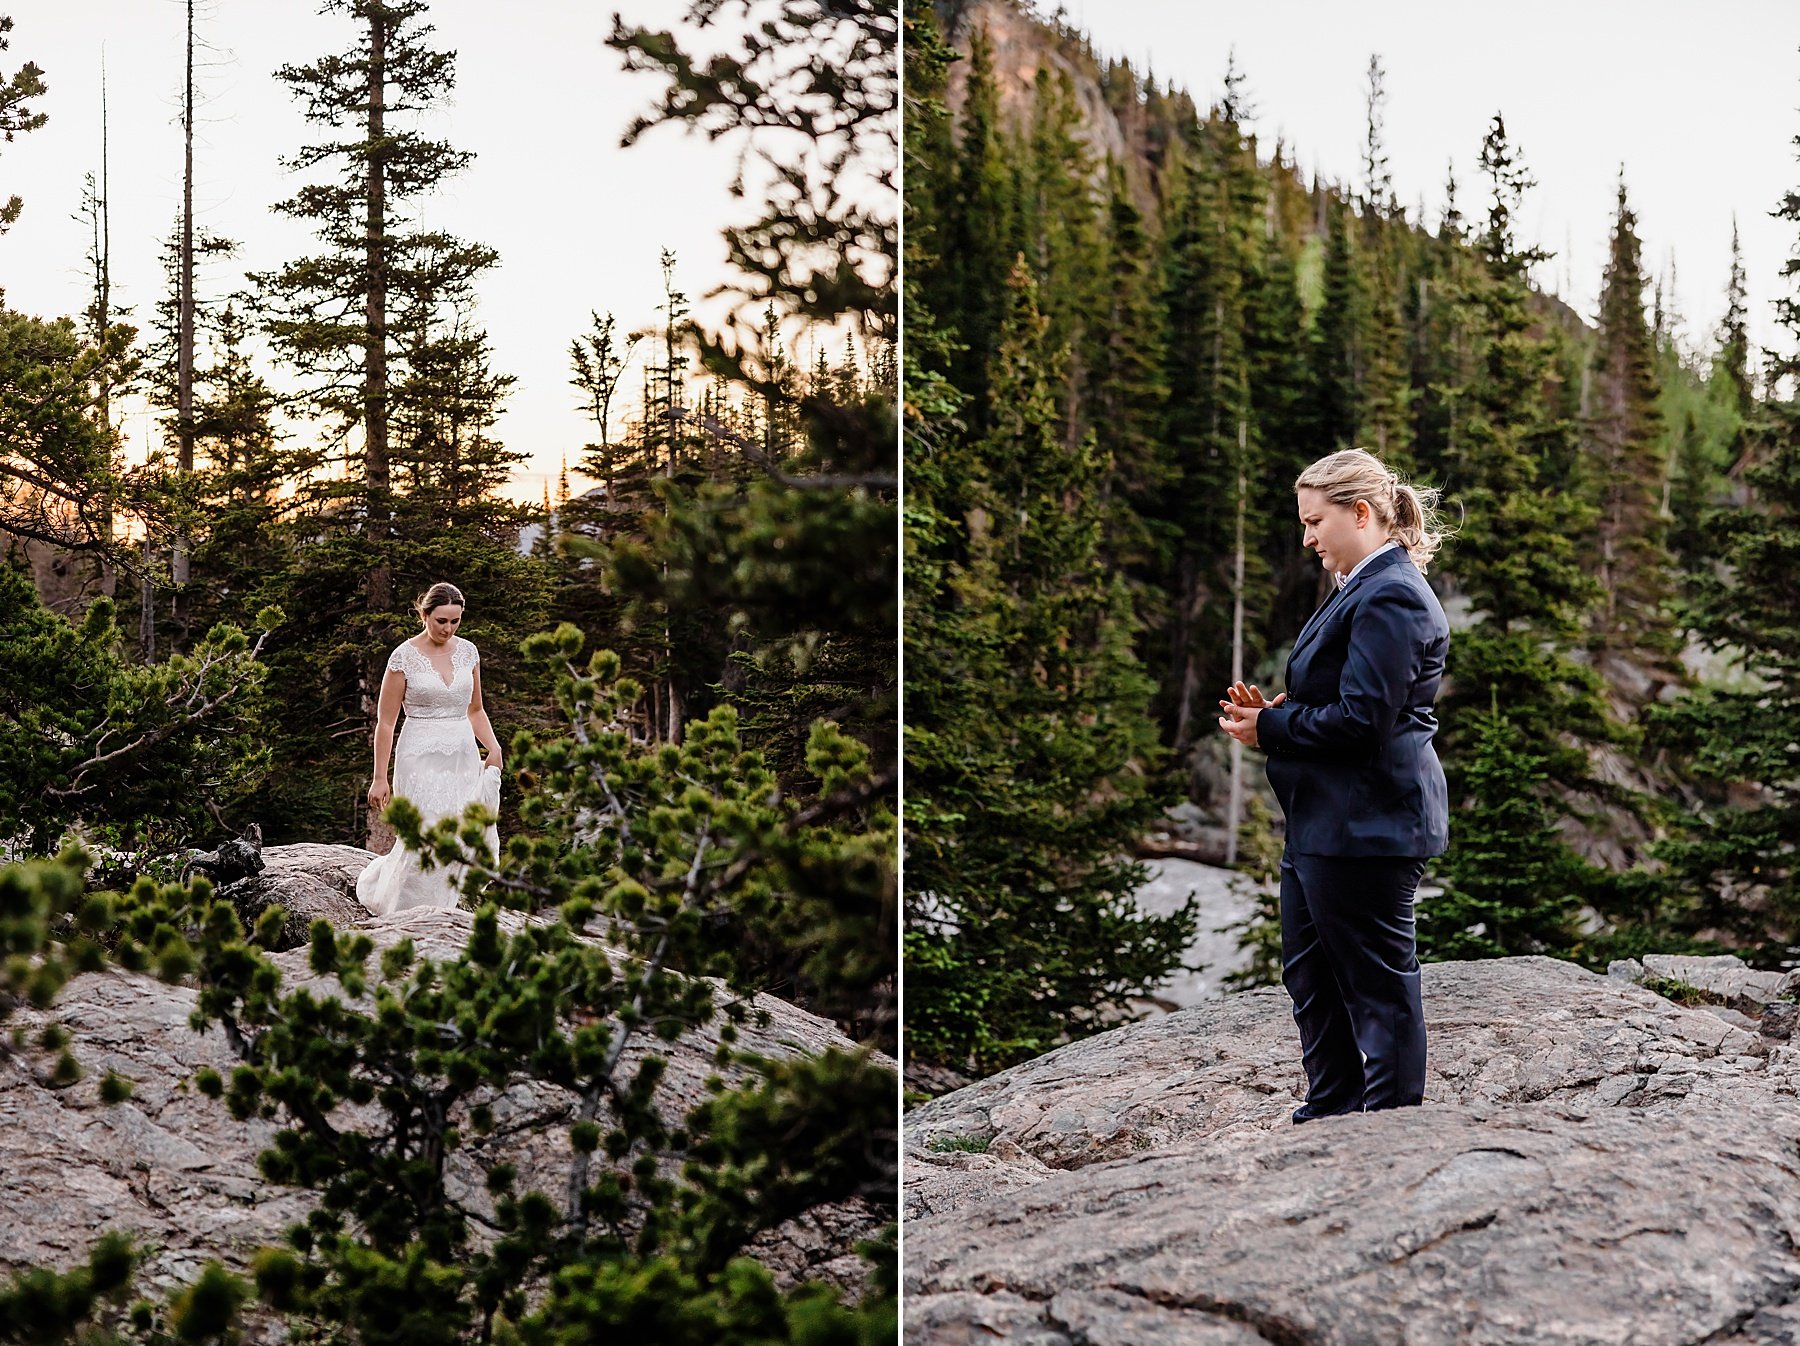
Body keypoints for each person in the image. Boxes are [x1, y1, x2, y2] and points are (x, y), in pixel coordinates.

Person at [1217, 448, 1452, 1121]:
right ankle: (1333, 1107)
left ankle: (1392, 1122)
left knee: (1378, 987)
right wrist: (1277, 714)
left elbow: (1363, 722)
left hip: (1370, 824)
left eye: (1316, 520)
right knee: (1312, 977)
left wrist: (1274, 731)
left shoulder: (1394, 594)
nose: (1308, 537)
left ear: (1360, 513)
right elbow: (1349, 699)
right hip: (1330, 820)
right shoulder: (1361, 587)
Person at [356, 582, 503, 916]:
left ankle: (447, 904)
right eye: (441, 621)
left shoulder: (469, 652)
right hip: (419, 755)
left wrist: (492, 747)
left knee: (460, 828)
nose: (448, 629)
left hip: (463, 752)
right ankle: (405, 906)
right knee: (426, 831)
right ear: (424, 615)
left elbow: (476, 710)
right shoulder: (403, 657)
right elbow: (385, 723)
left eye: (455, 621)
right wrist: (380, 778)